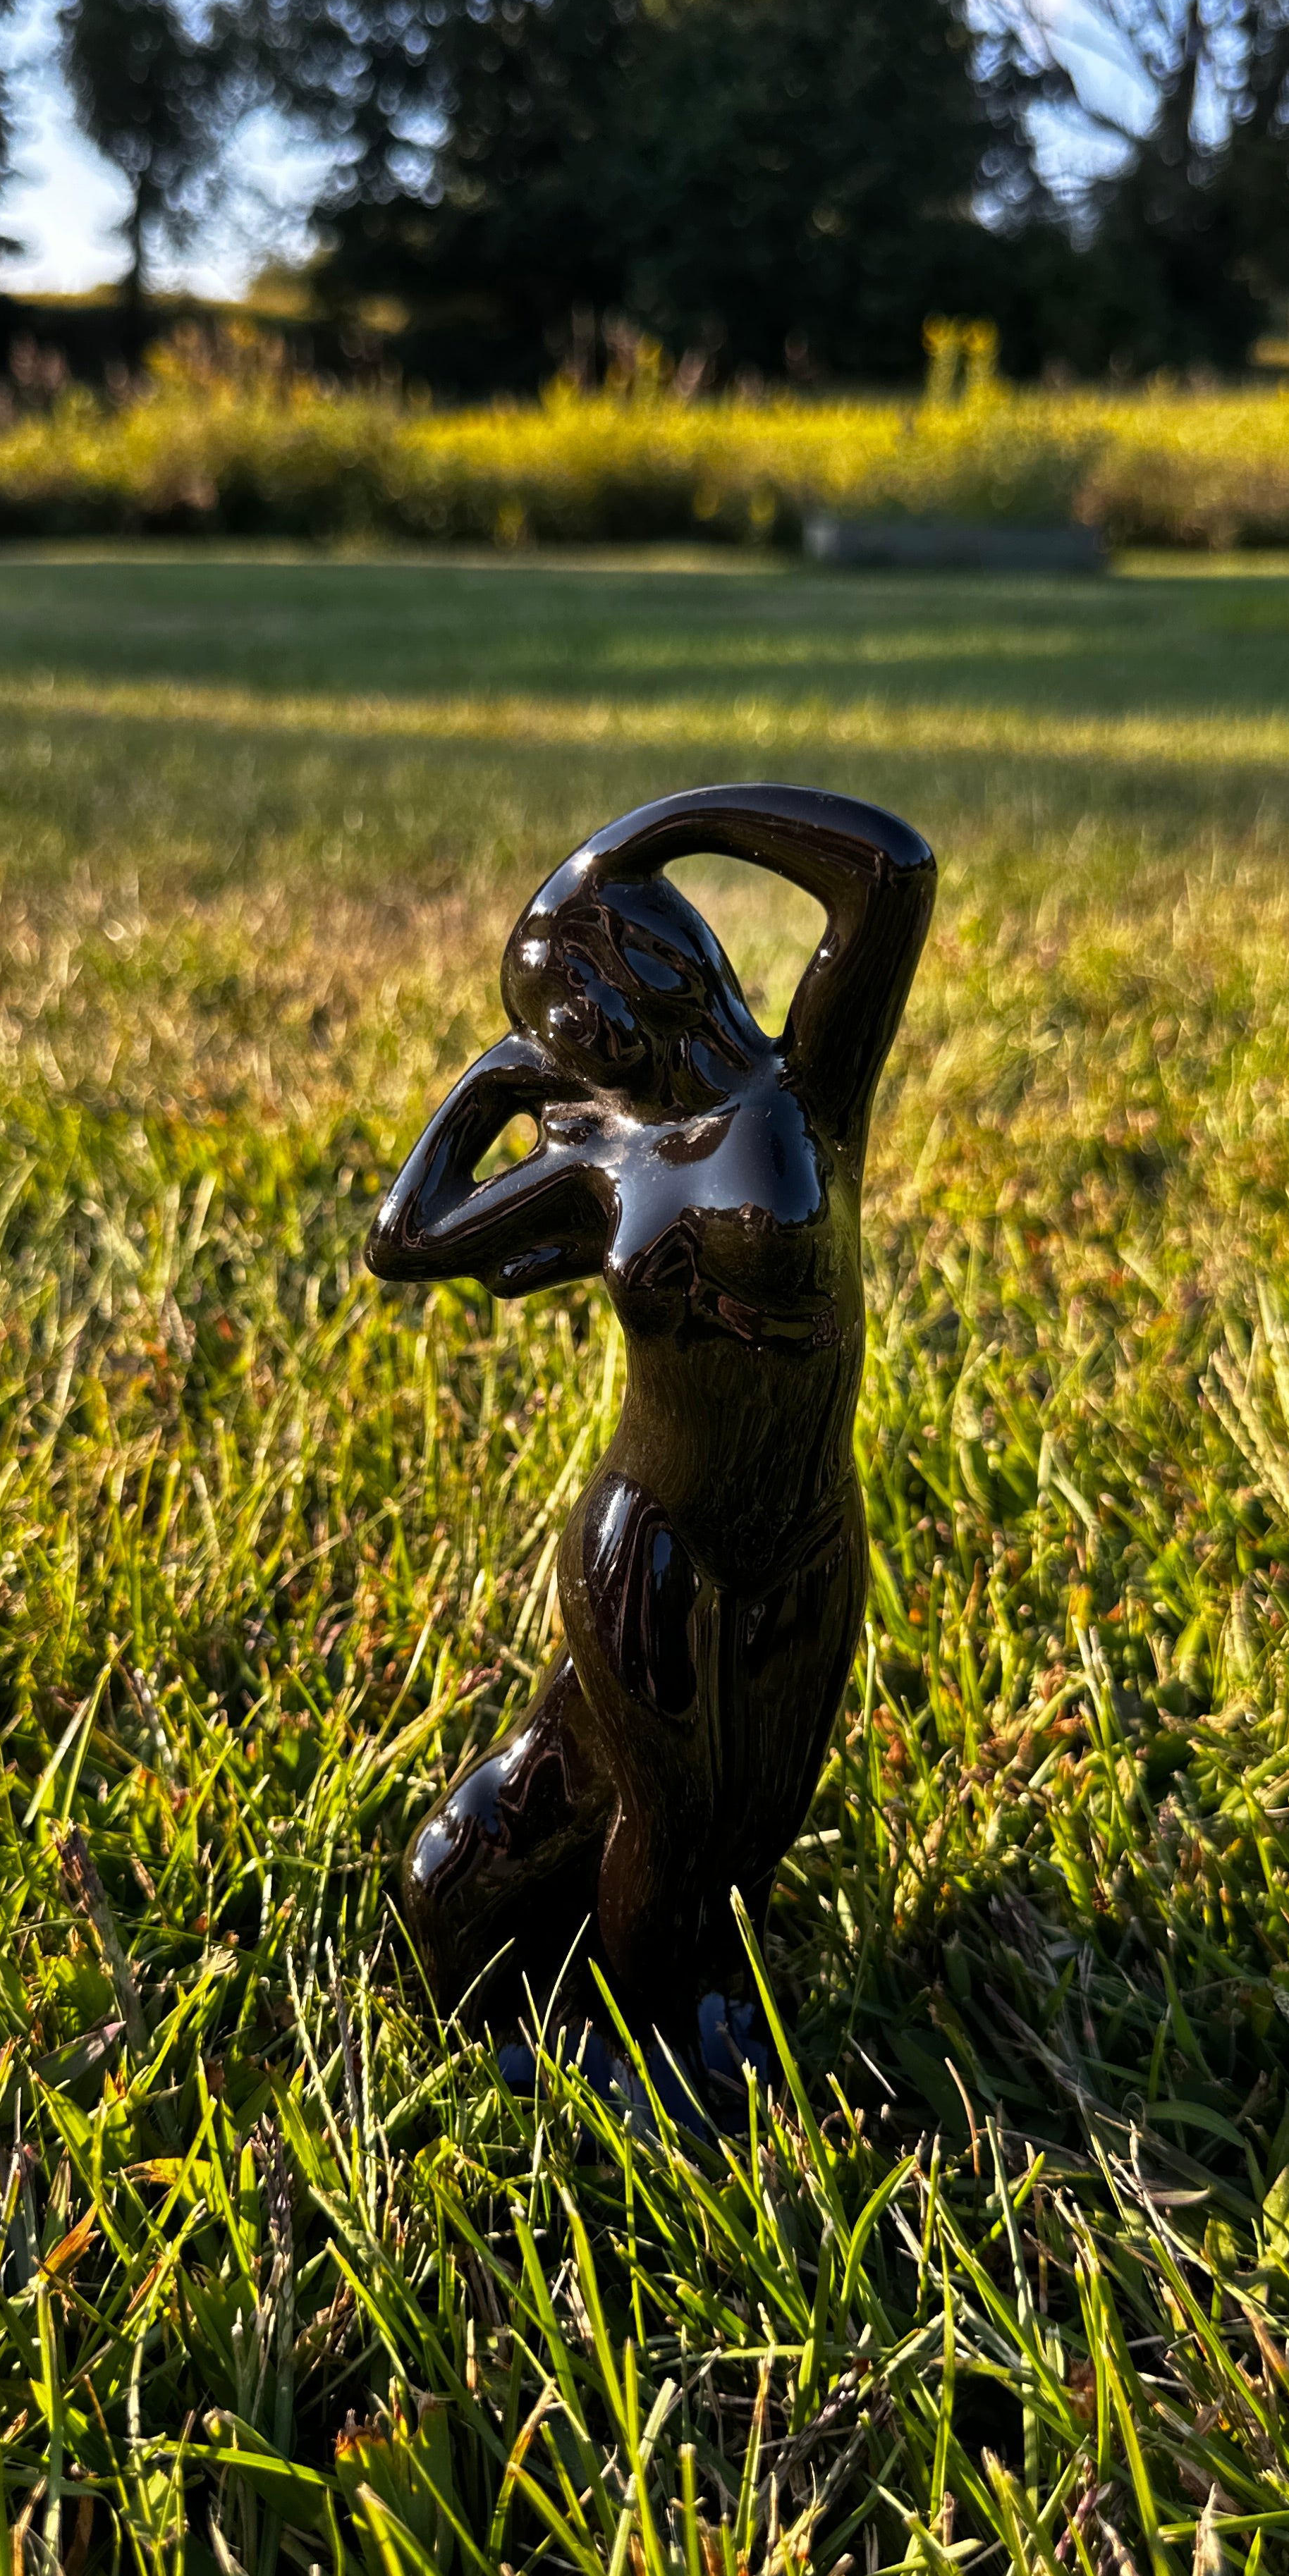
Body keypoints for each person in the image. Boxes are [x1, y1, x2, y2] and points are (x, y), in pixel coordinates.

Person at [367, 782, 934, 2091]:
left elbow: (890, 872)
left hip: (803, 1533)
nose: (562, 1036)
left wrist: (664, 827)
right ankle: (646, 2043)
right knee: (666, 1820)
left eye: (554, 1005)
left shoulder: (811, 1091)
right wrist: (489, 1085)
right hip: (655, 1549)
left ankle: (680, 1983)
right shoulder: (615, 1164)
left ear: (648, 971)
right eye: (543, 1023)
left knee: (757, 1813)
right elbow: (409, 1240)